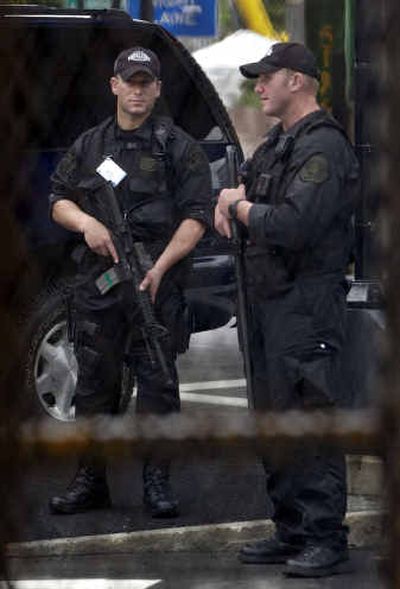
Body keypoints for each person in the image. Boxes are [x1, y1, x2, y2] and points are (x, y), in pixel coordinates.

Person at [215, 42, 360, 577]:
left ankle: (326, 537)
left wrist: (240, 206)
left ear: (296, 81)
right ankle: (291, 529)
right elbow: (244, 185)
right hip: (268, 300)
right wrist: (227, 197)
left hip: (305, 304)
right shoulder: (280, 141)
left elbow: (295, 224)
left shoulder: (323, 147)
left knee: (311, 419)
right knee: (273, 418)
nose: (259, 86)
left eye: (266, 78)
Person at [48, 47, 212, 518]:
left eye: (147, 82)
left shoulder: (177, 146)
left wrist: (161, 267)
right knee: (94, 383)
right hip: (100, 286)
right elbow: (58, 197)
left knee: (158, 384)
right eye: (130, 81)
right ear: (114, 85)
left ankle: (157, 482)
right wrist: (87, 225)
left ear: (158, 88)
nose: (137, 90)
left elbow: (197, 216)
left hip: (155, 286)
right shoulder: (91, 145)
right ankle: (89, 481)